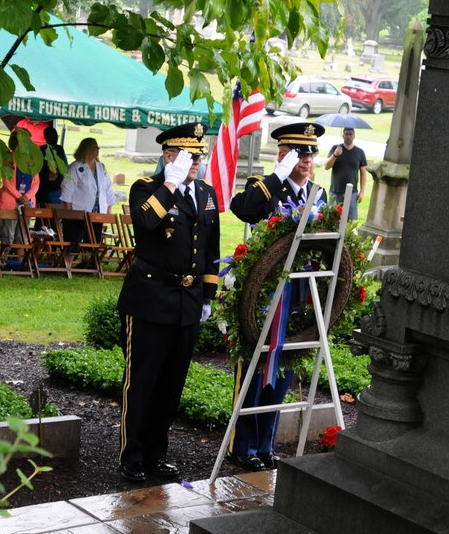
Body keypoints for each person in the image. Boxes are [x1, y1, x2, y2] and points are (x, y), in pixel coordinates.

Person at [116, 122, 220, 482]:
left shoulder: (206, 194)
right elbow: (144, 222)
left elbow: (211, 250)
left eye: (198, 156)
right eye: (187, 156)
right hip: (150, 298)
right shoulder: (147, 188)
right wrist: (171, 183)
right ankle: (132, 454)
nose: (195, 162)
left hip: (187, 303)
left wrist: (207, 296)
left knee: (171, 385)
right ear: (168, 155)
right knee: (142, 381)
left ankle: (157, 454)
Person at [228, 122, 327, 470]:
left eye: (311, 152)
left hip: (298, 298)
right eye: (300, 152)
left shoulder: (318, 194)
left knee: (281, 374)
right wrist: (276, 176)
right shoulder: (266, 188)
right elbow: (242, 209)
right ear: (283, 154)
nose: (307, 159)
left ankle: (265, 444)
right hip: (266, 297)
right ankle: (243, 446)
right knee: (256, 372)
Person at [60, 137, 116, 250]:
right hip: (78, 213)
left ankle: (88, 264)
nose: (98, 149)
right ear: (87, 149)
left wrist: (108, 209)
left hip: (97, 214)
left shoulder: (101, 167)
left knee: (92, 245)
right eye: (95, 147)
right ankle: (68, 267)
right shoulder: (75, 167)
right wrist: (69, 211)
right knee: (72, 245)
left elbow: (108, 188)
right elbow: (67, 188)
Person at [0, 131, 39, 252]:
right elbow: (6, 182)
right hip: (10, 203)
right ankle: (4, 259)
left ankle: (21, 261)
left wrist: (26, 197)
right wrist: (19, 196)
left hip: (27, 203)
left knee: (23, 234)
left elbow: (36, 182)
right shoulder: (8, 159)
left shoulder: (31, 161)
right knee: (7, 233)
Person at [323, 127, 368, 220]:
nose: (348, 136)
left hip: (352, 192)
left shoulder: (360, 152)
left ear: (354, 136)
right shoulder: (335, 149)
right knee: (332, 220)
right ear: (343, 135)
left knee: (350, 221)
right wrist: (335, 155)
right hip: (335, 191)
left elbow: (363, 173)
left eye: (350, 134)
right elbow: (326, 166)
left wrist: (362, 192)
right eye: (346, 134)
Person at [36, 126, 67, 208]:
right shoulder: (59, 149)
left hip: (43, 187)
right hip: (53, 187)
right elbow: (64, 168)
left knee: (41, 215)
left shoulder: (40, 149)